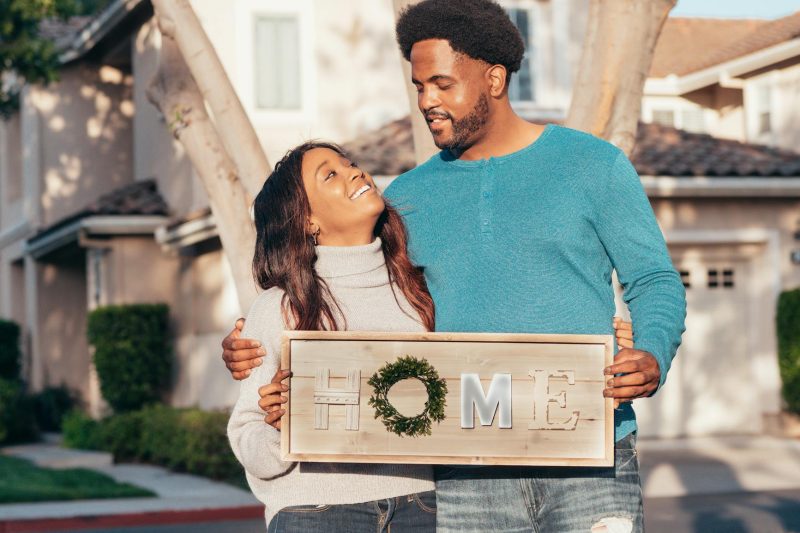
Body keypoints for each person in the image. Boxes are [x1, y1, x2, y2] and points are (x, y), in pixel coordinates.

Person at [224, 1, 686, 531]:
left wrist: (651, 350)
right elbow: (346, 281)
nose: (427, 101)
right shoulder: (408, 197)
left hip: (590, 450)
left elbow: (652, 279)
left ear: (493, 78)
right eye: (419, 86)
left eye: (441, 84)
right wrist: (252, 343)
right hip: (465, 470)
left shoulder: (593, 165)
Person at [227, 142, 437, 532]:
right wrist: (280, 430)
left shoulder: (420, 294)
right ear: (308, 221)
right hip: (316, 510)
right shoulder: (279, 307)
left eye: (350, 164)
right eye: (331, 174)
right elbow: (247, 433)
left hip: (420, 508)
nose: (355, 172)